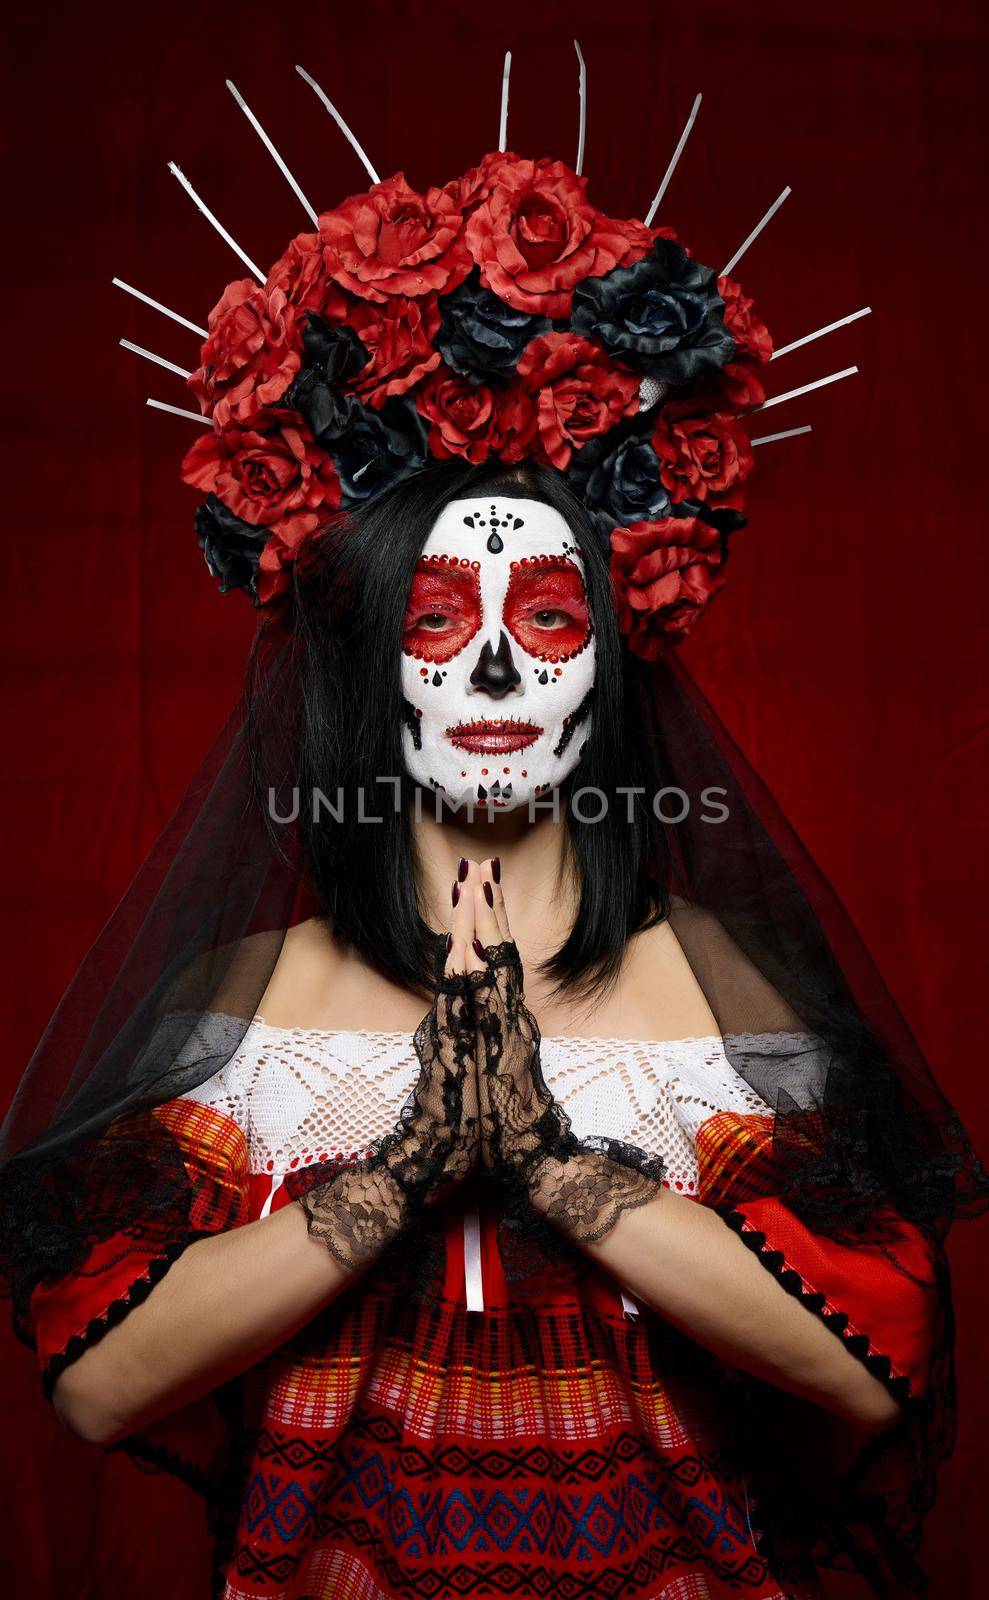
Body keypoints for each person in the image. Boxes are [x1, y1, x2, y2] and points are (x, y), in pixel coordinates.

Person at [1, 120, 984, 1600]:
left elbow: (867, 1378)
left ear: (606, 674)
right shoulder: (249, 1003)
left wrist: (548, 1163)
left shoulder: (713, 985)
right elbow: (97, 1386)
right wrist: (398, 1174)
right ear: (366, 676)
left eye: (547, 623)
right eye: (439, 624)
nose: (498, 677)